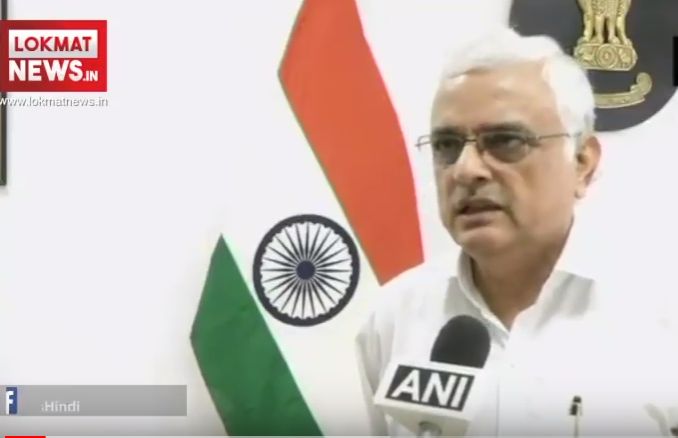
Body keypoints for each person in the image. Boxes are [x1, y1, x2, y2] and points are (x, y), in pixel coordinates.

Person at [355, 27, 678, 436]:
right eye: (446, 146)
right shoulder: (394, 316)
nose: (466, 170)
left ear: (582, 163)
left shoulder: (659, 311)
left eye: (506, 141)